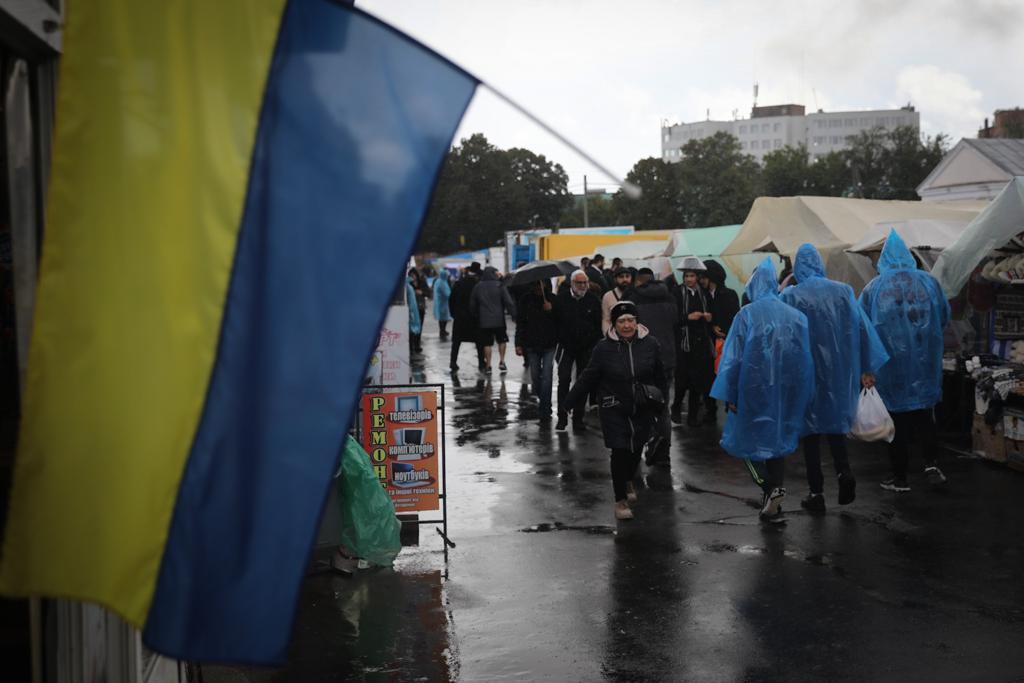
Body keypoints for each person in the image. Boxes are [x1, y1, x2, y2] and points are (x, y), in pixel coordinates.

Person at [780, 244, 890, 513]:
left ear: (798, 266)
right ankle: (844, 473)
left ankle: (816, 493)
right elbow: (863, 329)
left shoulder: (790, 296)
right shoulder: (842, 292)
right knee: (835, 426)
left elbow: (784, 337)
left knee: (810, 434)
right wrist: (866, 368)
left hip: (805, 373)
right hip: (839, 374)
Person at [710, 258, 815, 522]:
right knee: (776, 442)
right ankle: (774, 500)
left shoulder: (746, 315)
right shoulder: (796, 316)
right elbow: (803, 357)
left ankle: (769, 489)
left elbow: (732, 358)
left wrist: (730, 393)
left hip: (751, 388)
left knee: (744, 442)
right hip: (783, 389)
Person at [859, 230, 951, 492]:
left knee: (896, 422)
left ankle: (900, 478)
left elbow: (862, 328)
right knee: (925, 415)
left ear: (883, 259)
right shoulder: (930, 283)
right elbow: (943, 317)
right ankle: (932, 464)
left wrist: (866, 365)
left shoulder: (873, 289)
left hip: (891, 367)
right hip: (925, 363)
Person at [565, 301, 667, 520]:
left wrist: (662, 402)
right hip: (613, 406)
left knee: (635, 448)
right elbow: (588, 376)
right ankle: (620, 500)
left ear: (637, 321)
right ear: (614, 324)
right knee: (619, 451)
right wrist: (569, 402)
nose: (627, 325)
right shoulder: (603, 348)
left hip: (642, 404)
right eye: (621, 321)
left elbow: (660, 375)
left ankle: (628, 478)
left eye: (631, 320)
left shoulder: (650, 344)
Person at [630, 268, 678, 466]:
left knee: (641, 405)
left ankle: (648, 442)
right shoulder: (670, 296)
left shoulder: (634, 298)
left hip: (644, 358)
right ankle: (663, 454)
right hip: (667, 357)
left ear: (639, 281)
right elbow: (676, 323)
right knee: (663, 407)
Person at [553, 269, 603, 431]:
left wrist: (592, 344)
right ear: (572, 283)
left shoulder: (593, 300)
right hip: (565, 347)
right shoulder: (561, 299)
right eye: (579, 283)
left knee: (583, 383)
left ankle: (578, 418)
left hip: (586, 348)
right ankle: (562, 417)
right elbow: (555, 322)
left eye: (585, 283)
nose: (582, 286)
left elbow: (597, 326)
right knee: (564, 380)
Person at [671, 258, 714, 426]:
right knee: (682, 380)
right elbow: (673, 318)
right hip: (684, 342)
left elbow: (710, 311)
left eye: (692, 276)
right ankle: (676, 408)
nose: (689, 279)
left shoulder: (703, 293)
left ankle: (692, 416)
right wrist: (687, 318)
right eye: (686, 276)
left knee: (698, 381)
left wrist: (708, 317)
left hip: (701, 341)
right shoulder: (677, 292)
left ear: (697, 277)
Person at [700, 260, 740, 423]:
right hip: (709, 343)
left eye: (704, 277)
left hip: (726, 341)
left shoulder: (729, 294)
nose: (701, 280)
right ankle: (711, 409)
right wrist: (711, 327)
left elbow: (735, 317)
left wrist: (721, 328)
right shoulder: (702, 296)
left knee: (727, 374)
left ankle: (728, 405)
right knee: (707, 376)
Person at [515, 280, 558, 424]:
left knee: (547, 375)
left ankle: (545, 408)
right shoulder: (525, 300)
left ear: (545, 285)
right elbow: (520, 322)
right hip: (531, 345)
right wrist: (518, 343)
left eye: (541, 285)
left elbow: (561, 320)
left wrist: (552, 310)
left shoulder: (552, 299)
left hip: (549, 344)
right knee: (535, 377)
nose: (539, 288)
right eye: (536, 285)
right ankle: (543, 399)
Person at [470, 266, 516, 373]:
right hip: (499, 320)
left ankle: (488, 365)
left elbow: (472, 303)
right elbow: (508, 302)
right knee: (502, 340)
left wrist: (475, 315)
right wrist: (514, 314)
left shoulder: (478, 287)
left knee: (487, 343)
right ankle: (502, 361)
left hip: (484, 321)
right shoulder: (500, 285)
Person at [449, 263, 484, 372]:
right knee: (479, 341)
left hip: (460, 318)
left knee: (456, 342)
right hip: (474, 318)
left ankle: (453, 362)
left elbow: (451, 300)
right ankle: (481, 363)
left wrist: (453, 314)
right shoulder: (478, 284)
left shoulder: (458, 284)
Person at [601, 266, 633, 334]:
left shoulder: (635, 294)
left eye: (627, 276)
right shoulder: (608, 296)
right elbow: (606, 320)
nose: (625, 279)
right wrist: (608, 336)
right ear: (615, 279)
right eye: (621, 277)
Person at [405, 274, 423, 353]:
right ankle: (411, 349)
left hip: (413, 311)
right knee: (411, 331)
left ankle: (412, 348)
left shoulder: (408, 286)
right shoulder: (407, 287)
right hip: (411, 312)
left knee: (412, 331)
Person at [433, 269, 452, 340]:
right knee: (443, 318)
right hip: (443, 302)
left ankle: (443, 330)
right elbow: (446, 293)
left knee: (442, 318)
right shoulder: (442, 282)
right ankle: (442, 331)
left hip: (441, 302)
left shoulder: (439, 281)